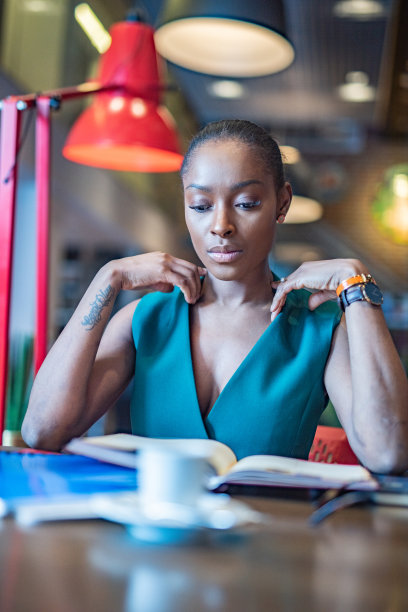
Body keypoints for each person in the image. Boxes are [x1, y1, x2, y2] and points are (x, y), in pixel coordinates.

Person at [22, 119, 408, 473]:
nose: (221, 226)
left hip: (272, 545)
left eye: (246, 204)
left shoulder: (318, 331)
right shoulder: (148, 318)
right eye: (201, 206)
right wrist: (107, 278)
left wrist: (354, 282)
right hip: (151, 543)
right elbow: (42, 432)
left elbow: (388, 453)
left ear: (283, 203)